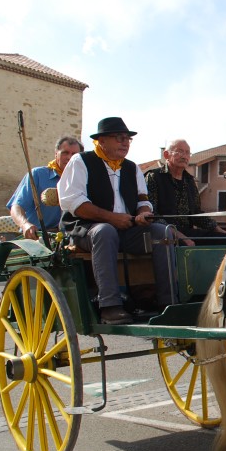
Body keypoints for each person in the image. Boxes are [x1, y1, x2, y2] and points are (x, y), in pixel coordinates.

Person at [58, 117, 174, 325]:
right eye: (118, 138)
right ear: (101, 141)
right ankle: (110, 306)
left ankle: (167, 302)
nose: (125, 142)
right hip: (85, 229)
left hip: (126, 230)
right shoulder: (81, 162)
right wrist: (112, 218)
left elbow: (142, 200)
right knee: (105, 231)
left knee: (161, 233)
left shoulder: (132, 168)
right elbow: (75, 203)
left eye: (128, 139)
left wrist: (144, 213)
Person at [145, 139, 226, 246]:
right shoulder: (154, 177)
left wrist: (220, 230)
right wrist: (180, 236)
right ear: (166, 155)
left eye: (187, 153)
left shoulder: (190, 181)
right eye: (180, 152)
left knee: (225, 239)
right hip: (164, 232)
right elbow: (152, 216)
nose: (184, 156)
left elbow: (197, 214)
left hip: (188, 232)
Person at [7, 136, 83, 240]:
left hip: (71, 236)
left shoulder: (82, 180)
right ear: (56, 154)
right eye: (65, 153)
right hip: (38, 236)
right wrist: (25, 225)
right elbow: (16, 206)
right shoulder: (37, 175)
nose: (69, 157)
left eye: (74, 155)